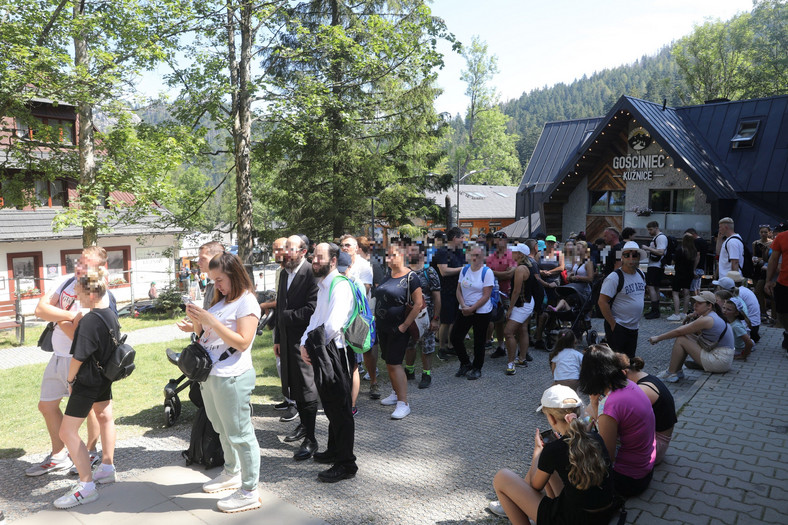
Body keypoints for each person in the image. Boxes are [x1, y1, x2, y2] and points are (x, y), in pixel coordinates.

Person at [186, 252, 261, 513]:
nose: (216, 285)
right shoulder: (223, 300)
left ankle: (250, 490)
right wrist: (197, 323)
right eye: (212, 280)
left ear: (234, 274)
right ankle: (232, 472)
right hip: (212, 375)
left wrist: (211, 321)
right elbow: (206, 337)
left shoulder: (247, 302)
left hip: (233, 376)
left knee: (241, 434)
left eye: (219, 279)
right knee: (221, 428)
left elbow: (242, 342)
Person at [29, 247, 107, 479]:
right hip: (58, 355)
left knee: (90, 409)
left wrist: (56, 315)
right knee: (46, 406)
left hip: (79, 358)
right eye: (79, 262)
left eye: (86, 264)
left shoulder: (94, 290)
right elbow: (39, 309)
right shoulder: (65, 281)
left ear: (99, 268)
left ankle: (90, 452)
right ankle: (59, 455)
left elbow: (78, 334)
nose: (79, 267)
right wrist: (69, 315)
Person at [490, 385, 616, 525]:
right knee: (551, 470)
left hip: (574, 519)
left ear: (551, 418)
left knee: (501, 477)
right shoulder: (595, 438)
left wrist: (537, 453)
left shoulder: (553, 450)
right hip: (604, 515)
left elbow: (535, 486)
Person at [53, 265, 118, 509]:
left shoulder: (89, 321)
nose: (77, 299)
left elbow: (78, 357)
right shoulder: (110, 314)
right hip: (104, 377)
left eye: (79, 294)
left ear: (91, 295)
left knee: (66, 432)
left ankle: (86, 487)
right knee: (104, 415)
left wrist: (70, 381)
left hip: (88, 380)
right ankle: (107, 468)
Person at [300, 242, 357, 482]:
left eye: (320, 257)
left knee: (341, 409)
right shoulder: (323, 285)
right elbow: (316, 317)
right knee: (332, 405)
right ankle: (335, 451)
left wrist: (311, 344)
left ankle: (346, 464)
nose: (314, 260)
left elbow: (333, 325)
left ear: (333, 260)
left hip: (337, 353)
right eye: (313, 256)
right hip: (324, 350)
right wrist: (304, 342)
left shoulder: (339, 285)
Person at [579, 344, 655, 498]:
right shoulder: (631, 385)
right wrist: (595, 406)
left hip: (630, 479)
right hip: (646, 467)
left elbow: (607, 455)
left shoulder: (611, 404)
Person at [275, 236, 320, 459]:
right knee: (294, 387)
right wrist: (277, 337)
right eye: (284, 250)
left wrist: (287, 317)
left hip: (304, 342)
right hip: (286, 340)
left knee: (307, 388)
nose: (285, 254)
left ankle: (311, 440)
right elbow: (280, 303)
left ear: (303, 252)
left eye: (290, 250)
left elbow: (313, 309)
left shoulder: (311, 272)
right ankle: (304, 425)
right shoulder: (284, 273)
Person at [373, 240, 424, 419]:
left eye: (392, 255)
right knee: (388, 362)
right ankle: (395, 394)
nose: (388, 258)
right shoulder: (388, 274)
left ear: (402, 256)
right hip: (383, 326)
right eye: (387, 255)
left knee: (395, 363)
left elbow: (418, 304)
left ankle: (404, 403)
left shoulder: (411, 277)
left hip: (399, 328)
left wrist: (404, 325)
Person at [648, 291, 734, 381]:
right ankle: (676, 371)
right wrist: (692, 315)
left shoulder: (708, 319)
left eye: (699, 303)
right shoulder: (710, 315)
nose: (695, 305)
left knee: (681, 339)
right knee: (685, 336)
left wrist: (658, 338)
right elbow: (687, 329)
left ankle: (672, 372)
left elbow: (679, 331)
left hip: (719, 361)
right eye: (695, 302)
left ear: (709, 306)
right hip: (723, 359)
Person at [258, 237, 297, 421]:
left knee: (292, 364)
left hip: (293, 324)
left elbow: (286, 299)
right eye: (274, 249)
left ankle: (295, 402)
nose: (276, 253)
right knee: (280, 361)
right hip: (280, 322)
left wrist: (265, 304)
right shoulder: (279, 272)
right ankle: (288, 397)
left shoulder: (293, 272)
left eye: (279, 249)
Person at [340, 234, 379, 400]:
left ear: (356, 248)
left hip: (360, 314)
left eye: (348, 245)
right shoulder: (338, 264)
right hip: (342, 314)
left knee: (366, 349)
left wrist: (349, 279)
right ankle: (347, 387)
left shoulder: (363, 265)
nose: (344, 248)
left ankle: (373, 382)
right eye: (342, 245)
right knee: (347, 352)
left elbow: (366, 289)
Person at [619, 354, 677, 465]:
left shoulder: (642, 390)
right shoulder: (645, 378)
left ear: (624, 373)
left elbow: (618, 420)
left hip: (655, 448)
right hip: (658, 441)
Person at [451, 243, 494, 380]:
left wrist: (472, 308)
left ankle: (477, 368)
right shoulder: (464, 270)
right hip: (464, 309)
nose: (474, 258)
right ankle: (465, 363)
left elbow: (486, 295)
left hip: (481, 311)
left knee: (479, 341)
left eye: (477, 255)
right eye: (472, 255)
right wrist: (463, 305)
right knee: (455, 337)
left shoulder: (487, 272)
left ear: (483, 257)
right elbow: (458, 289)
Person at [597, 241, 646, 358]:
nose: (631, 258)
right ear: (622, 257)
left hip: (634, 327)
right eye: (627, 255)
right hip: (619, 326)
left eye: (634, 255)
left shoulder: (641, 274)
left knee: (629, 360)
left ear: (639, 257)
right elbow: (602, 302)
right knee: (616, 362)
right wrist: (613, 324)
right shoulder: (614, 277)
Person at [403, 242, 441, 389]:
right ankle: (410, 370)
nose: (410, 254)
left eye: (413, 251)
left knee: (427, 346)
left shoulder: (429, 272)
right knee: (409, 345)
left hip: (427, 317)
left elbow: (437, 297)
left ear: (422, 254)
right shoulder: (405, 271)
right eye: (408, 251)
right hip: (409, 316)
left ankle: (426, 374)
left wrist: (436, 319)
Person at [504, 244, 537, 375]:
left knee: (508, 332)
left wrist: (510, 309)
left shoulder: (520, 269)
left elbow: (517, 291)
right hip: (529, 301)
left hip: (522, 305)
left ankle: (511, 363)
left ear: (520, 255)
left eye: (514, 252)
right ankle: (522, 359)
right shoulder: (531, 265)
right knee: (523, 328)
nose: (511, 253)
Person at [435, 227, 466, 361]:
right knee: (446, 321)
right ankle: (442, 348)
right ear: (455, 238)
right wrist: (463, 269)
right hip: (445, 291)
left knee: (454, 319)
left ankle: (451, 345)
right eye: (462, 237)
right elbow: (444, 271)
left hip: (457, 290)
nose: (463, 240)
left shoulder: (459, 252)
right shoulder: (442, 252)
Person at [486, 231, 516, 358]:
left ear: (505, 240)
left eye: (500, 240)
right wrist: (500, 273)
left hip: (508, 291)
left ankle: (516, 348)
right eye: (496, 240)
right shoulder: (491, 256)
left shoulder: (511, 255)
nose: (498, 242)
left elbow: (510, 274)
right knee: (498, 320)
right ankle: (501, 347)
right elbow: (487, 273)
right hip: (495, 293)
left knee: (512, 320)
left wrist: (494, 272)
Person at [713, 271, 761, 343]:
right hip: (752, 326)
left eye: (717, 287)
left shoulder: (734, 300)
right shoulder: (738, 293)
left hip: (749, 328)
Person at [765, 224, 788, 352]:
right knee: (782, 313)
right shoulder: (782, 237)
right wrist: (768, 280)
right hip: (784, 283)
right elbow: (773, 260)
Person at [667, 233, 699, 321]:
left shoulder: (680, 250)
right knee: (686, 293)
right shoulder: (693, 251)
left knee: (675, 293)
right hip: (689, 274)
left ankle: (676, 313)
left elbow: (673, 262)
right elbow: (696, 261)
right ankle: (684, 313)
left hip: (679, 273)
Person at [642, 221, 668, 319]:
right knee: (655, 287)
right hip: (655, 265)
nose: (649, 231)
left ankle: (655, 310)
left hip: (656, 265)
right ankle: (655, 310)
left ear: (656, 228)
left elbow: (661, 252)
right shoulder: (657, 238)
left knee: (651, 286)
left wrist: (647, 248)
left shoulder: (661, 238)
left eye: (650, 229)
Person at [752, 225, 772, 322]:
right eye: (762, 232)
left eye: (765, 232)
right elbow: (754, 255)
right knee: (758, 292)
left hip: (766, 269)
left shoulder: (772, 243)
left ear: (769, 233)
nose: (763, 234)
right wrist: (754, 260)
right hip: (757, 269)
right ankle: (762, 312)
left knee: (760, 290)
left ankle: (766, 313)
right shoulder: (755, 243)